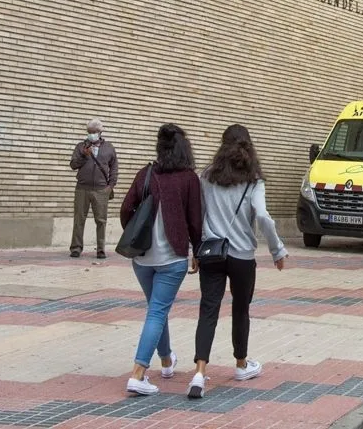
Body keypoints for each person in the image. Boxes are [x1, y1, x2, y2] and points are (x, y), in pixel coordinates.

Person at [188, 124, 289, 399]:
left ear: (222, 146)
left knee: (208, 309)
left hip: (211, 253)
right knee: (241, 309)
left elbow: (198, 215)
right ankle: (242, 365)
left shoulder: (206, 176)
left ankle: (199, 372)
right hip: (243, 256)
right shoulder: (254, 179)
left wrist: (193, 250)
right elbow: (263, 216)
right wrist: (277, 250)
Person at [120, 124, 203, 396]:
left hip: (142, 258)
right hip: (171, 259)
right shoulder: (189, 178)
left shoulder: (145, 173)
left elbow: (125, 210)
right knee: (157, 310)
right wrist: (198, 251)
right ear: (184, 148)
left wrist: (137, 238)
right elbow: (195, 221)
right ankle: (138, 373)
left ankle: (166, 361)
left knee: (157, 308)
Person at [69, 118, 118, 259]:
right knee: (79, 219)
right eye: (89, 132)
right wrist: (84, 156)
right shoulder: (80, 146)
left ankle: (101, 249)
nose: (91, 134)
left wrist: (111, 186)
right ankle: (76, 248)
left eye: (94, 132)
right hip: (82, 189)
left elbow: (114, 167)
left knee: (101, 221)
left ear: (100, 132)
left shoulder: (109, 148)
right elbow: (73, 165)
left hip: (101, 190)